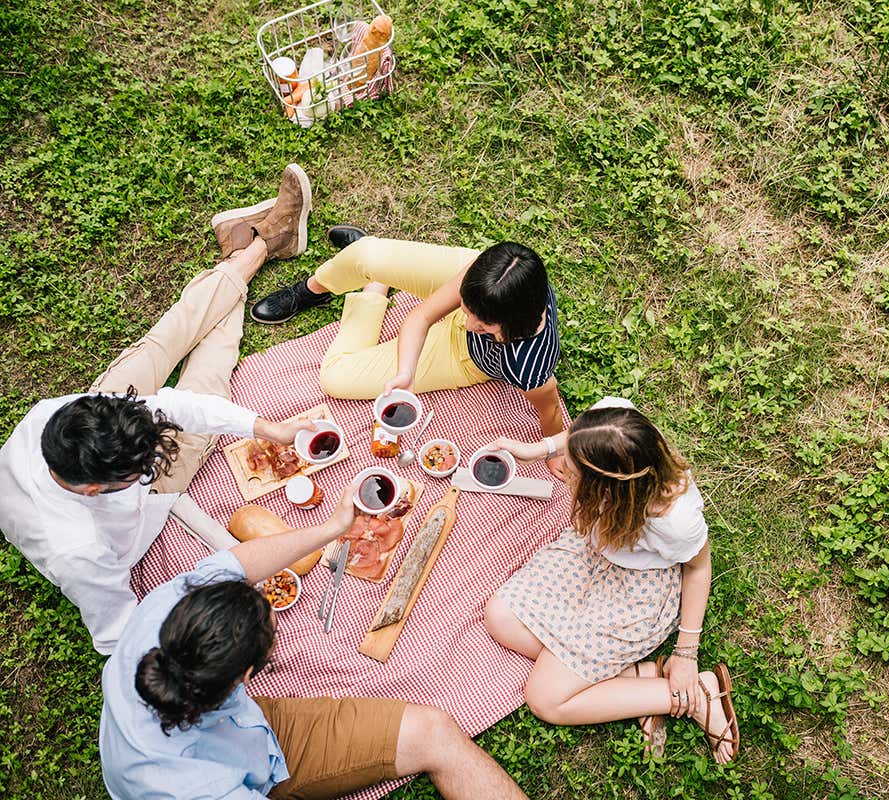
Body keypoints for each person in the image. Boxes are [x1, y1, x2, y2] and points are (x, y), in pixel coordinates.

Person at [0, 164, 317, 655]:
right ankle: (256, 244)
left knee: (164, 339)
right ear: (95, 488)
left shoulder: (56, 416)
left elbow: (171, 404)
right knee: (212, 367)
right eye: (141, 465)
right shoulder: (81, 552)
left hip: (100, 449)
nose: (160, 440)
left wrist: (265, 427)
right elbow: (117, 635)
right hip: (136, 514)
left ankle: (255, 248)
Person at [100, 483, 528, 800]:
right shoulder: (194, 790)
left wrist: (331, 529)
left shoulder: (164, 608)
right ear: (246, 676)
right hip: (236, 773)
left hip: (241, 728)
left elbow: (239, 561)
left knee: (433, 731)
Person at [482, 398, 739, 763]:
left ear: (608, 490)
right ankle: (638, 676)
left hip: (636, 590)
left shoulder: (673, 520)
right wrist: (537, 449)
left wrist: (686, 654)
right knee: (501, 617)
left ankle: (690, 694)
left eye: (573, 473)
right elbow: (579, 437)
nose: (564, 474)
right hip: (593, 555)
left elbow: (698, 569)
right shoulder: (617, 422)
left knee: (546, 699)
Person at [248, 229, 567, 477]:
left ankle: (374, 288)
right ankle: (313, 291)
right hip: (486, 296)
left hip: (465, 358)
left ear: (513, 327)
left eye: (483, 326)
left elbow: (550, 409)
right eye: (466, 311)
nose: (467, 324)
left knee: (335, 377)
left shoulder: (529, 365)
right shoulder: (495, 277)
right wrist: (406, 371)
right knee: (365, 254)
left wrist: (552, 450)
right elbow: (422, 316)